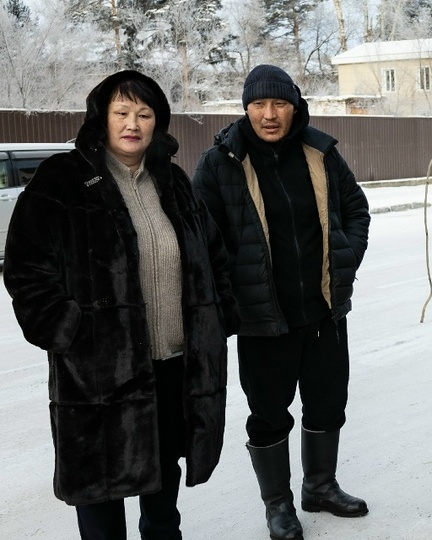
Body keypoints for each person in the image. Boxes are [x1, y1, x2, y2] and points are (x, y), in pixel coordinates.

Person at [3, 70, 237, 539]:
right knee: (101, 511)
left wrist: (218, 314)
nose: (133, 123)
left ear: (158, 123)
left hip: (171, 369)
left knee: (163, 509)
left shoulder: (171, 182)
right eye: (122, 112)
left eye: (145, 114)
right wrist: (68, 330)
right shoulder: (63, 180)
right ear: (101, 118)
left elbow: (212, 253)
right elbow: (26, 268)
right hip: (96, 379)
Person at [191, 64, 371, 540]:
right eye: (258, 105)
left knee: (328, 403)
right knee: (269, 414)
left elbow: (355, 208)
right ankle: (279, 505)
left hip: (324, 312)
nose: (269, 115)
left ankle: (320, 487)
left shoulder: (320, 151)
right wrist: (230, 295)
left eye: (279, 105)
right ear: (246, 108)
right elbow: (201, 239)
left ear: (295, 106)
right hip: (262, 321)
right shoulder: (220, 163)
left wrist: (347, 255)